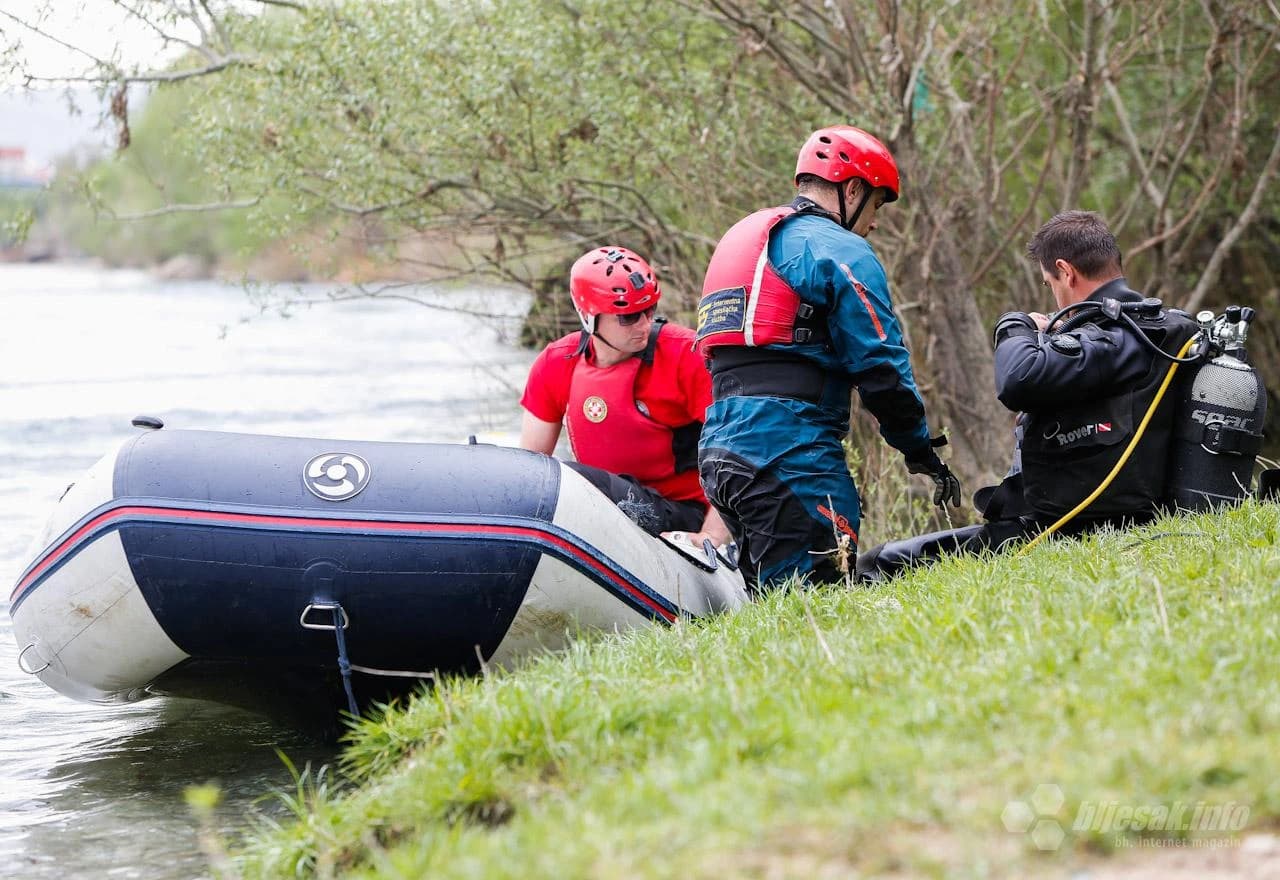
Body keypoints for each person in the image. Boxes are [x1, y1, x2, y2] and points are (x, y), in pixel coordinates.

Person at [856, 210, 1202, 581]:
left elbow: (1017, 378)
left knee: (878, 562)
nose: (1053, 297)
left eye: (1048, 282)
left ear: (1065, 272)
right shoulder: (1166, 332)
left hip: (1063, 527)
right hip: (1121, 511)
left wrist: (1014, 324)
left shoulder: (1109, 340)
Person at [695, 125, 960, 590]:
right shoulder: (839, 248)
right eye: (875, 205)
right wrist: (917, 448)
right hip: (788, 453)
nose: (874, 222)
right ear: (852, 188)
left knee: (774, 603)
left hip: (720, 452)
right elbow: (881, 367)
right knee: (819, 598)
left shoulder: (746, 236)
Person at [520, 245, 730, 546]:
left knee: (577, 480)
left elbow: (740, 454)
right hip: (608, 501)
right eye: (628, 317)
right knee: (559, 479)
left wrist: (711, 537)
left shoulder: (687, 354)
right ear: (588, 316)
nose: (644, 325)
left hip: (687, 512)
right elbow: (532, 467)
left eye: (650, 310)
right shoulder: (555, 362)